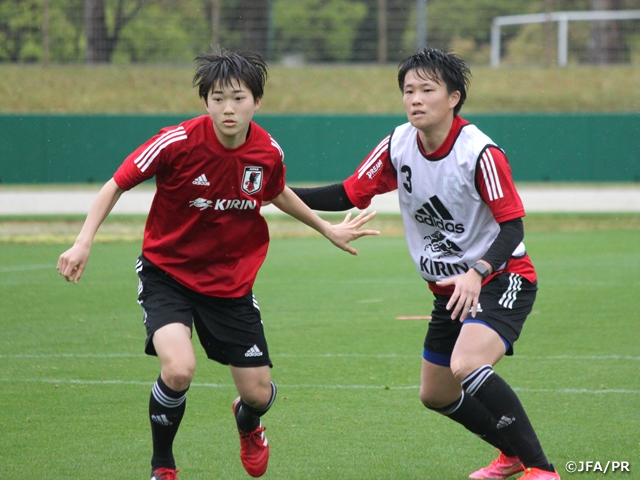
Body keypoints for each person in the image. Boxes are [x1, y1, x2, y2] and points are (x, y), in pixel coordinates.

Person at [57, 48, 378, 480]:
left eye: (239, 98)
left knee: (259, 394)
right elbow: (116, 184)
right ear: (205, 101)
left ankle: (248, 424)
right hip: (167, 274)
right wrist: (83, 242)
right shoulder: (176, 142)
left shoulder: (267, 151)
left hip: (230, 283)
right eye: (219, 98)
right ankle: (163, 467)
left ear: (257, 102)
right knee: (178, 368)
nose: (229, 108)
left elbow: (277, 192)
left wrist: (327, 228)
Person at [290, 48, 560, 480]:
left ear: (453, 97)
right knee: (435, 394)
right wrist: (273, 191)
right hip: (449, 293)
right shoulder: (399, 143)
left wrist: (478, 272)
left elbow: (513, 226)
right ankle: (509, 453)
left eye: (426, 90)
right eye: (408, 90)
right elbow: (347, 193)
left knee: (468, 365)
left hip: (502, 278)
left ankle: (542, 471)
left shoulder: (479, 153)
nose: (414, 99)